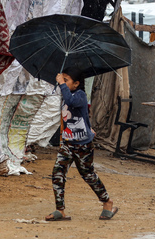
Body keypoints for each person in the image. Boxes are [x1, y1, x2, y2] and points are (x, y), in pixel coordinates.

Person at [45, 69, 118, 221]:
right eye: (62, 79)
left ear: (77, 83)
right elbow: (82, 115)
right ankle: (60, 210)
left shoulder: (80, 95)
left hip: (83, 146)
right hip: (67, 144)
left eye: (67, 80)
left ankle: (107, 202)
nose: (63, 83)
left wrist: (61, 84)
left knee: (88, 175)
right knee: (58, 174)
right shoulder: (65, 96)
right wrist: (89, 126)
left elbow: (74, 103)